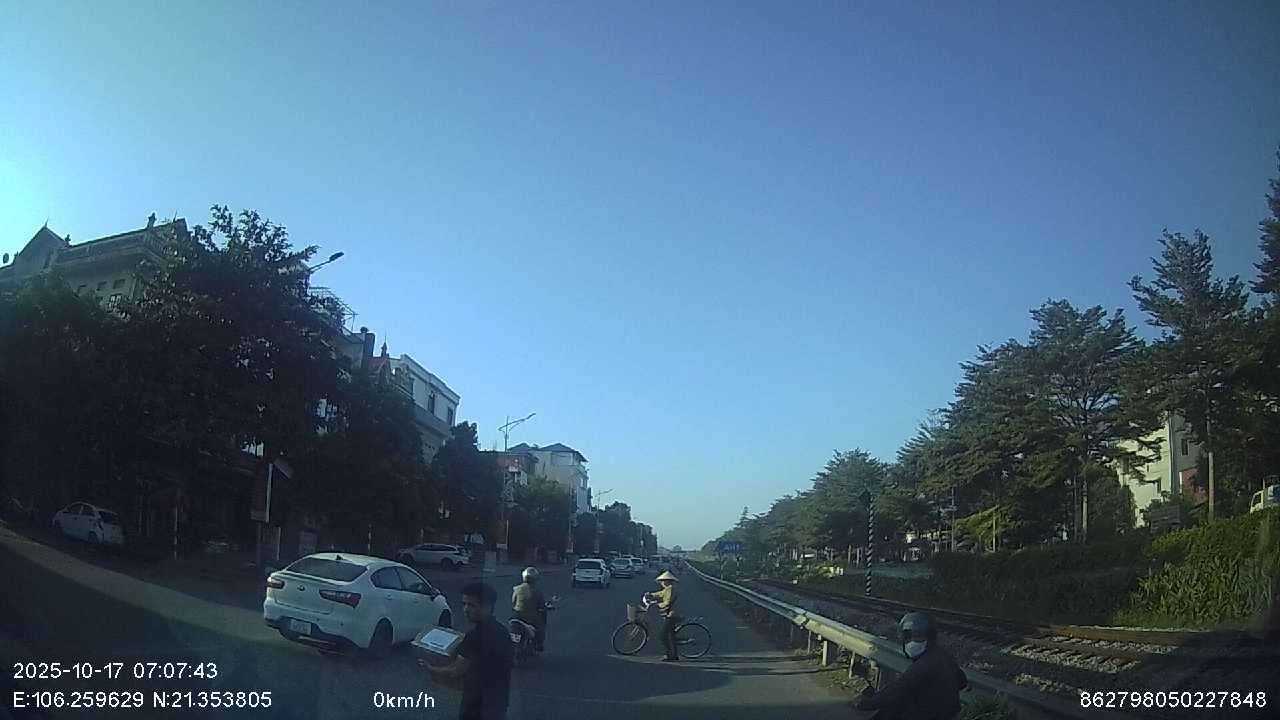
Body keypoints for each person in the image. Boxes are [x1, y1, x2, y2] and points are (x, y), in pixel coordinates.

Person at [855, 612, 968, 720]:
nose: (913, 642)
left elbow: (897, 689)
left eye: (918, 637)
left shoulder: (924, 665)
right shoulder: (943, 656)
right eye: (909, 637)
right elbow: (962, 682)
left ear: (929, 638)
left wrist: (867, 703)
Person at [427, 582, 514, 720]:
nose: (466, 609)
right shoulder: (503, 632)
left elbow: (455, 670)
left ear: (487, 607)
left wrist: (432, 669)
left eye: (472, 605)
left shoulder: (474, 637)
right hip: (498, 702)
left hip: (475, 705)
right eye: (464, 604)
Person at [643, 570, 681, 662]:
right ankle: (674, 655)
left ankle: (669, 655)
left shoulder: (670, 589)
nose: (661, 583)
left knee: (663, 636)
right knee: (671, 636)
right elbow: (660, 594)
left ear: (667, 581)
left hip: (673, 615)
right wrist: (650, 594)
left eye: (662, 581)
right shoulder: (668, 589)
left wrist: (657, 605)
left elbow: (667, 602)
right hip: (671, 614)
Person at [511, 566, 547, 652]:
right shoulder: (536, 591)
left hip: (517, 617)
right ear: (535, 579)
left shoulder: (517, 589)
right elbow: (541, 605)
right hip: (531, 619)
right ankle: (538, 643)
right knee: (541, 627)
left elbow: (513, 602)